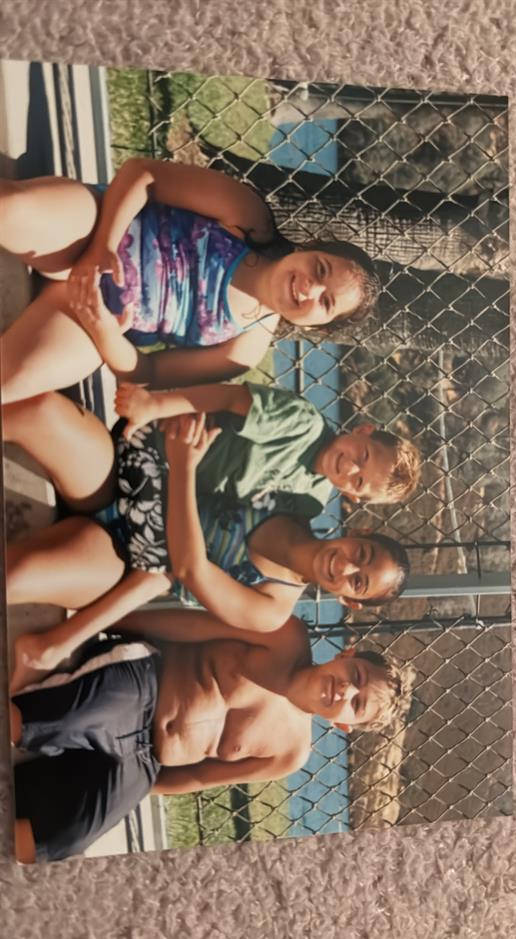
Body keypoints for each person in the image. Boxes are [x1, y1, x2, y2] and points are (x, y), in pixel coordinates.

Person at [4, 391, 410, 689]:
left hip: (119, 559)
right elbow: (230, 417)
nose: (346, 565)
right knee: (44, 413)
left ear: (347, 600)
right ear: (359, 532)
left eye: (357, 580)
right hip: (126, 481)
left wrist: (183, 465)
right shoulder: (300, 498)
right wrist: (172, 418)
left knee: (16, 577)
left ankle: (45, 648)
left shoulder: (270, 607)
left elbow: (188, 567)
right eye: (362, 554)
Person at [10, 608, 414, 863]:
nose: (344, 692)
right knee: (57, 718)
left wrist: (130, 789)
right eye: (355, 677)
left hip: (147, 762)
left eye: (356, 704)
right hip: (143, 685)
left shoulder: (292, 753)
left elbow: (202, 776)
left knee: (69, 836)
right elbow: (190, 624)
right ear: (347, 654)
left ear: (344, 725)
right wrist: (106, 618)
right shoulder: (284, 637)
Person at [0, 160, 380, 403]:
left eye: (325, 302)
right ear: (310, 247)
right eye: (321, 269)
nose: (309, 287)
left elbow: (145, 373)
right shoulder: (245, 216)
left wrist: (103, 331)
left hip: (92, 319)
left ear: (317, 326)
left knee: (11, 379)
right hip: (92, 229)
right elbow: (142, 175)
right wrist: (103, 245)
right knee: (10, 209)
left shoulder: (242, 349)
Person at [114, 378, 422, 516]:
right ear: (364, 430)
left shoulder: (309, 503)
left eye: (358, 480)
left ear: (351, 495)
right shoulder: (304, 424)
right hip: (162, 440)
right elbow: (229, 397)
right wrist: (155, 405)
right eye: (363, 455)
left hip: (171, 494)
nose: (350, 466)